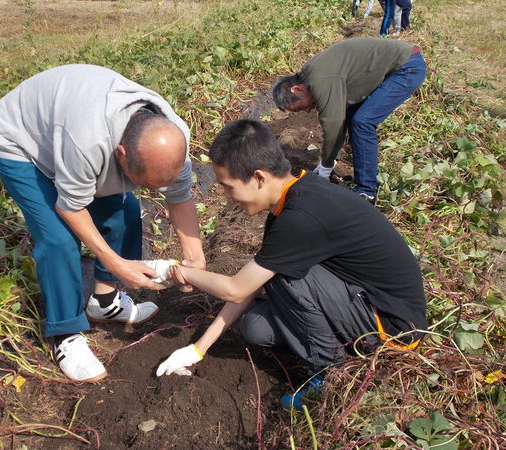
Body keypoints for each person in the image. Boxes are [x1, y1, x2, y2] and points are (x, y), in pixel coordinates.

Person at [156, 120, 427, 409]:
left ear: (259, 178)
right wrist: (198, 349)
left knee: (281, 276)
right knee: (256, 326)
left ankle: (331, 375)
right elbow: (247, 288)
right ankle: (340, 348)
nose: (228, 197)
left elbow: (236, 289)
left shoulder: (301, 217)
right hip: (362, 303)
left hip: (393, 328)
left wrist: (182, 272)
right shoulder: (293, 196)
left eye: (229, 187)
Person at [0, 64, 205, 382]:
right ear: (121, 154)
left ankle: (104, 301)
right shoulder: (86, 143)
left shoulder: (172, 139)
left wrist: (194, 257)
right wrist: (115, 263)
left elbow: (180, 198)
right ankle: (64, 335)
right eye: (142, 182)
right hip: (20, 141)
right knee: (59, 238)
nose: (150, 192)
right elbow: (71, 208)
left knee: (127, 209)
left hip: (71, 127)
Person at [272, 37, 426, 203]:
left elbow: (333, 122)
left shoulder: (319, 80)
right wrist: (330, 161)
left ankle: (366, 192)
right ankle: (365, 181)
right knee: (353, 116)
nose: (307, 110)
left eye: (299, 108)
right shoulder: (311, 75)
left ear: (296, 89)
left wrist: (326, 166)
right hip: (400, 63)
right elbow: (340, 116)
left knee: (362, 121)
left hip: (406, 67)